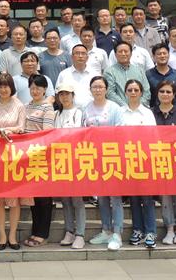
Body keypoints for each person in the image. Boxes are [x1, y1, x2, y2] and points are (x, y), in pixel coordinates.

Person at [0, 74, 28, 250]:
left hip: (15, 157)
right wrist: (2, 130)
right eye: (0, 86)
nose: (3, 89)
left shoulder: (19, 105)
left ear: (11, 87)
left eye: (6, 86)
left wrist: (4, 130)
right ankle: (2, 235)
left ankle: (13, 236)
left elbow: (21, 128)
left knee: (15, 199)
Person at [84, 76, 125, 251]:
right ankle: (106, 230)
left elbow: (121, 132)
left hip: (111, 156)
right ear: (90, 89)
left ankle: (117, 233)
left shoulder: (115, 108)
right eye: (94, 87)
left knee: (115, 197)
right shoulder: (86, 108)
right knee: (101, 197)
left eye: (101, 87)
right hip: (94, 157)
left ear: (106, 89)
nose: (98, 90)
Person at [152, 80, 176, 245]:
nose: (165, 94)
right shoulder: (152, 113)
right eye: (162, 91)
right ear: (157, 94)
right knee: (165, 196)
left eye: (169, 92)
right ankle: (169, 228)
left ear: (174, 95)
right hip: (159, 160)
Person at [120, 79, 157, 248]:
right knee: (134, 198)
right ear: (125, 92)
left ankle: (150, 231)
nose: (133, 92)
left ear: (141, 92)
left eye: (136, 90)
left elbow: (153, 136)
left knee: (147, 198)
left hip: (145, 159)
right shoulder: (120, 112)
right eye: (130, 90)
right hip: (127, 160)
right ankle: (137, 230)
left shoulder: (147, 113)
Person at [22, 74, 56, 248]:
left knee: (43, 198)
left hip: (42, 156)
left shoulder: (47, 107)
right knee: (33, 198)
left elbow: (47, 132)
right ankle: (35, 231)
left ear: (44, 90)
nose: (35, 91)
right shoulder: (26, 106)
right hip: (27, 157)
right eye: (32, 88)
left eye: (38, 88)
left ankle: (43, 234)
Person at [53, 79, 86, 249]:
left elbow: (81, 135)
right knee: (65, 199)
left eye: (67, 94)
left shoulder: (79, 113)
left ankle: (80, 234)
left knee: (77, 199)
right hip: (60, 160)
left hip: (76, 160)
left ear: (73, 95)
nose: (64, 97)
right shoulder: (56, 114)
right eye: (61, 94)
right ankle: (69, 231)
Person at [104, 41, 149, 107]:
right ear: (115, 54)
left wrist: (138, 105)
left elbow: (146, 91)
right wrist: (125, 107)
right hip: (119, 109)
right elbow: (110, 93)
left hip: (139, 108)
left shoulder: (139, 71)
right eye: (120, 52)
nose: (123, 54)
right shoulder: (109, 72)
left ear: (131, 54)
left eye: (126, 51)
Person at [146, 43, 176, 108]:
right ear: (154, 57)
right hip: (155, 111)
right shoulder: (148, 75)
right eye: (159, 54)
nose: (162, 56)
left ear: (169, 55)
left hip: (174, 111)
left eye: (164, 53)